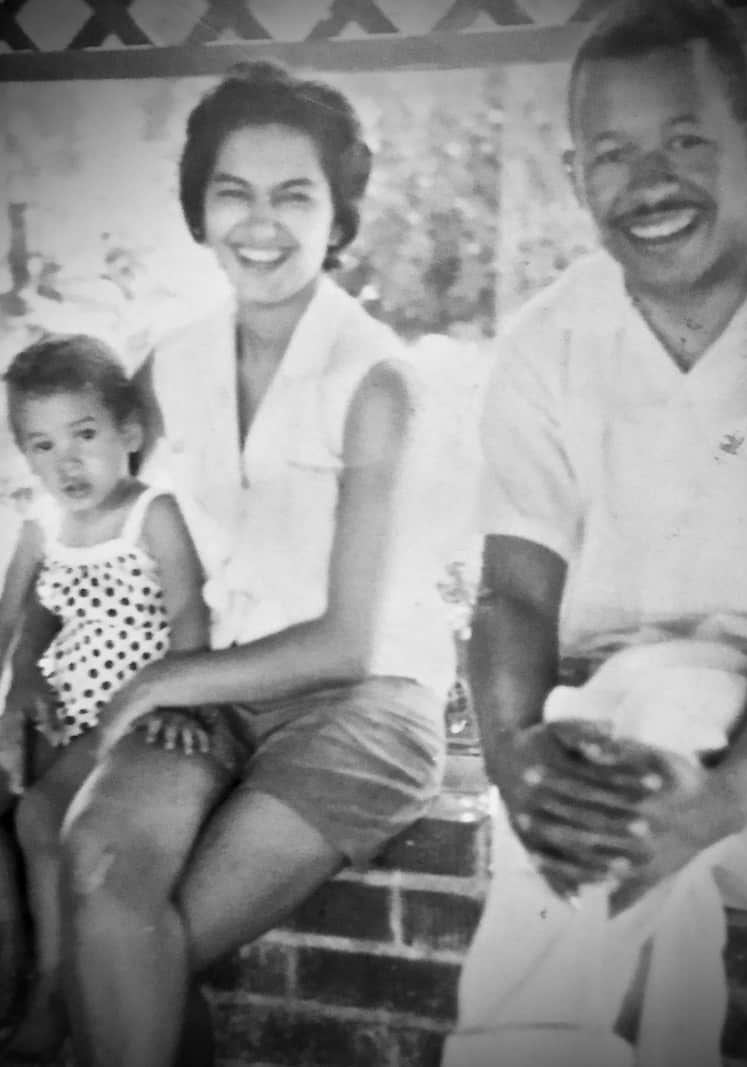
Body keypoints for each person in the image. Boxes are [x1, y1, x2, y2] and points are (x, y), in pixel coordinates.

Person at [46, 61, 450, 1067]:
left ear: (336, 214)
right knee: (101, 883)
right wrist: (37, 662)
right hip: (211, 688)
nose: (259, 222)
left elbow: (347, 643)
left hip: (364, 707)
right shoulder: (169, 362)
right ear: (198, 207)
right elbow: (99, 517)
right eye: (232, 191)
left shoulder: (377, 378)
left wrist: (156, 680)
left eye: (293, 194)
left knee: (148, 938)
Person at [442, 2, 747, 1066]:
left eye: (684, 140)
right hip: (616, 750)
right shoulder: (548, 341)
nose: (648, 183)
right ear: (573, 176)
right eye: (613, 154)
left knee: (662, 706)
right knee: (616, 779)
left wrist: (727, 794)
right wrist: (512, 760)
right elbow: (512, 594)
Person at [0, 334, 210, 1060]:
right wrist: (21, 679)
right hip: (70, 701)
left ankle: (59, 990)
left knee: (52, 816)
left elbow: (189, 614)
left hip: (137, 705)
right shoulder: (44, 521)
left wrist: (181, 695)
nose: (67, 461)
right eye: (43, 443)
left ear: (128, 432)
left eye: (84, 435)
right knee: (31, 814)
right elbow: (23, 613)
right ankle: (53, 979)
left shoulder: (152, 511)